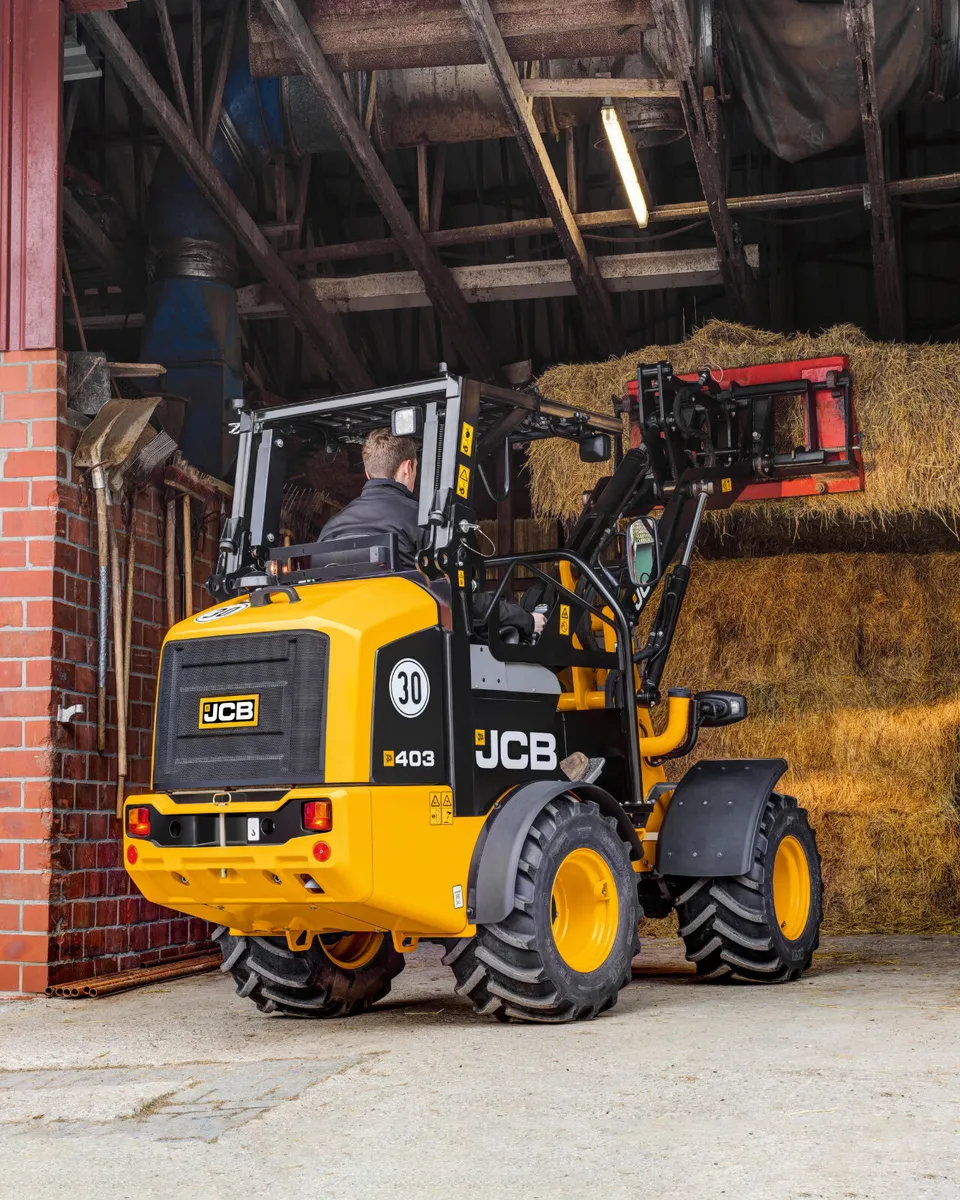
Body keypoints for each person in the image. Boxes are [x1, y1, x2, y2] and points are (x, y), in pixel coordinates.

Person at [317, 428, 546, 640]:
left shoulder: (332, 528)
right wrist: (524, 619)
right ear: (408, 467)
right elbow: (461, 600)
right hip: (415, 642)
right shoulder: (423, 522)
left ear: (368, 473)